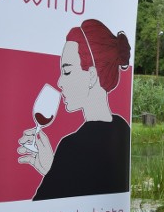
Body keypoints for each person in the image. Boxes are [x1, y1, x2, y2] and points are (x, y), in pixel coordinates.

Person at [18, 19, 131, 201]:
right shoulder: (122, 128)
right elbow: (90, 185)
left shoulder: (73, 145)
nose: (59, 82)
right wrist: (53, 168)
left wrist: (57, 169)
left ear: (92, 76)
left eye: (67, 71)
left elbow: (40, 211)